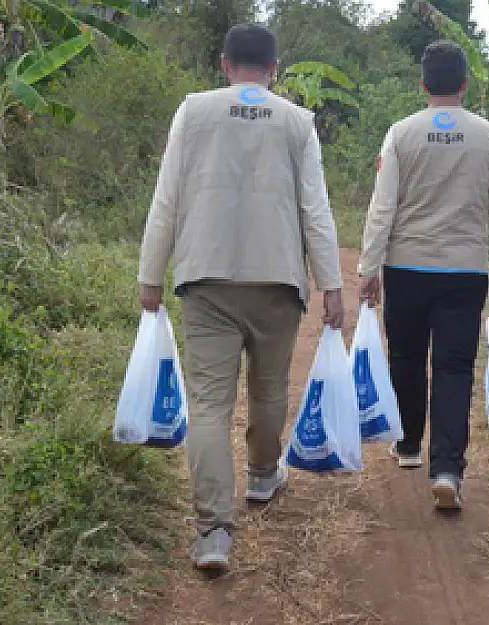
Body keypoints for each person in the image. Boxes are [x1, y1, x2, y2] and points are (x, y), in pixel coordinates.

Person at [137, 23, 345, 571]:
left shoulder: (193, 111)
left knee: (208, 404)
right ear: (274, 69)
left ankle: (212, 533)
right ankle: (260, 478)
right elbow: (315, 211)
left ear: (225, 65)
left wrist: (150, 275)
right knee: (270, 388)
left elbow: (167, 198)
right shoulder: (298, 121)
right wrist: (332, 285)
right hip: (278, 279)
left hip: (206, 278)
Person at [357, 40, 489, 510]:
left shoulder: (401, 133)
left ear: (423, 83)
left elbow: (382, 207)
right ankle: (447, 468)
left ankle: (409, 444)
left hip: (406, 268)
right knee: (453, 369)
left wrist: (370, 268)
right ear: (465, 84)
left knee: (406, 357)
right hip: (463, 270)